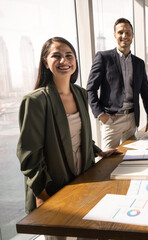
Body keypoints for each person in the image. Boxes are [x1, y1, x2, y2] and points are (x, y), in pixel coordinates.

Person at [16, 37, 120, 214]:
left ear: (75, 61)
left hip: (83, 177)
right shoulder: (35, 101)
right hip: (52, 188)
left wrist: (97, 151)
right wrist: (41, 194)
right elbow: (29, 155)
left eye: (69, 55)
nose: (64, 61)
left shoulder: (80, 93)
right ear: (45, 62)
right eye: (56, 56)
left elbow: (79, 135)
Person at [87, 18, 148, 150]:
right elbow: (90, 89)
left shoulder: (139, 63)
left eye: (128, 32)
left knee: (130, 158)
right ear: (115, 35)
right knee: (107, 161)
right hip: (112, 119)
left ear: (132, 35)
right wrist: (100, 114)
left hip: (132, 119)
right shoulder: (103, 58)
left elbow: (145, 92)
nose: (124, 36)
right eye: (120, 32)